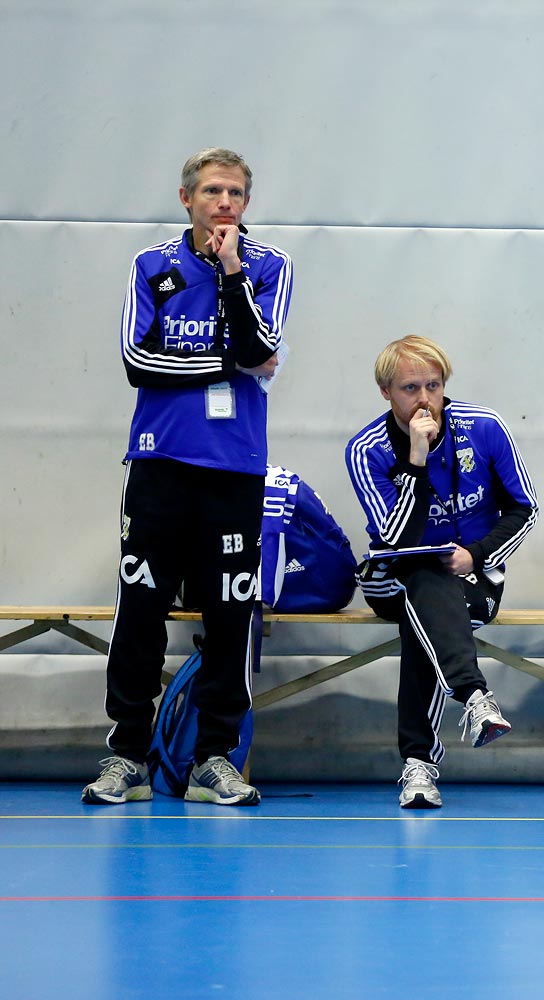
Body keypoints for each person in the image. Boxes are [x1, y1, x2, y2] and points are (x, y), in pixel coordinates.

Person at [85, 148, 293, 807]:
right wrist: (225, 363)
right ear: (187, 199)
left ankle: (214, 759)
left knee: (231, 612)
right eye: (212, 191)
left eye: (235, 193)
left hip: (234, 468)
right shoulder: (152, 266)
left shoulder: (268, 268)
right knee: (141, 607)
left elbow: (262, 350)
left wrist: (231, 275)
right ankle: (126, 756)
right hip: (159, 462)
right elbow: (136, 361)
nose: (224, 203)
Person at [345, 336, 539, 808]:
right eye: (411, 387)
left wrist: (475, 555)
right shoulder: (366, 449)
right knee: (422, 578)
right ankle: (474, 695)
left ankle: (418, 767)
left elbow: (523, 509)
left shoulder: (484, 427)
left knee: (424, 621)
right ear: (386, 392)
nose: (425, 398)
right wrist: (415, 457)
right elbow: (395, 537)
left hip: (473, 574)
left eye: (434, 385)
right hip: (395, 575)